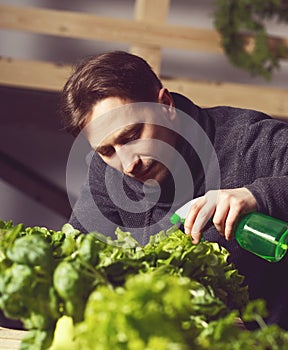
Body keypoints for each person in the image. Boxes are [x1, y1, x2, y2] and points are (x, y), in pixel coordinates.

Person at [61, 50, 288, 329]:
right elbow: (79, 256)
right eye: (107, 150)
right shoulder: (107, 170)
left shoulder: (250, 140)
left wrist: (259, 195)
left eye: (132, 136)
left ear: (166, 104)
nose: (128, 164)